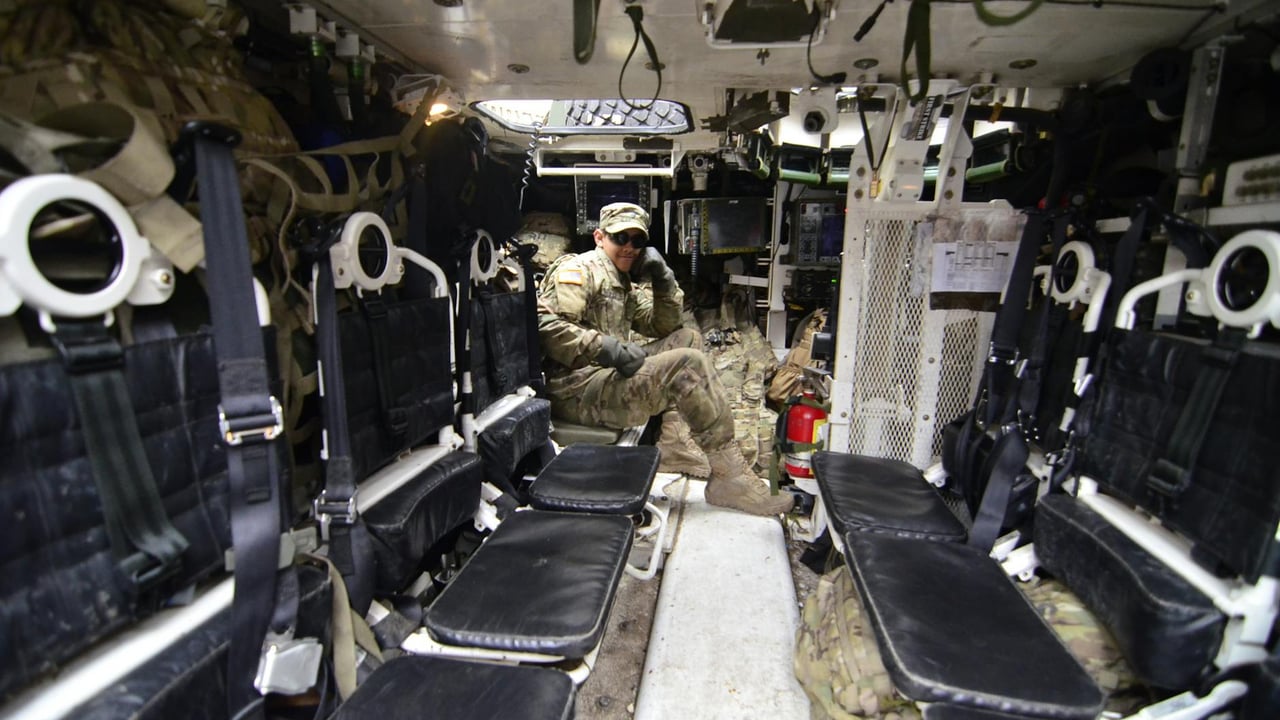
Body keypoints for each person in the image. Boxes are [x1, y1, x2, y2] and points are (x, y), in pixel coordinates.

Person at [536, 202, 793, 516]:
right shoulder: (581, 270)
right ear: (599, 237)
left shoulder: (621, 281)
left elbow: (664, 326)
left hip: (601, 377)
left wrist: (663, 279)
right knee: (687, 363)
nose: (629, 247)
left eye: (637, 240)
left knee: (688, 340)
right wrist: (606, 348)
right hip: (577, 391)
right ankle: (730, 476)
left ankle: (676, 444)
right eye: (620, 238)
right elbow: (547, 327)